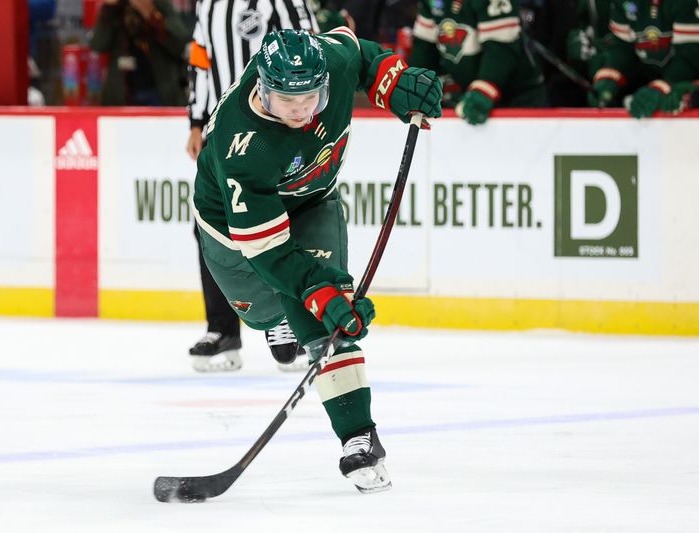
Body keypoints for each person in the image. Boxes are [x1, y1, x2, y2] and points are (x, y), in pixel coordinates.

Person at [191, 27, 442, 491]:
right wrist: (315, 290)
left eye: (312, 97)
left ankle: (359, 439)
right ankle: (279, 320)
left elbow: (366, 56)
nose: (303, 110)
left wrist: (395, 82)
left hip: (311, 204)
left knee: (327, 319)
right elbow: (269, 250)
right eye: (289, 101)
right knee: (286, 301)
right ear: (263, 90)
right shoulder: (241, 142)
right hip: (234, 236)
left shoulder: (331, 59)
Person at [185, 0, 318, 373]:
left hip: (277, 130)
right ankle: (223, 329)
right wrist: (196, 120)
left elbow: (310, 49)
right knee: (211, 226)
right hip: (221, 132)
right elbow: (200, 59)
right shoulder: (208, 3)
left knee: (286, 220)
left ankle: (295, 319)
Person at [408, 0, 545, 124]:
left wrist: (483, 89)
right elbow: (423, 48)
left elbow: (501, 49)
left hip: (516, 98)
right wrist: (416, 87)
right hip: (466, 99)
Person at [590, 0, 699, 118]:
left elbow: (688, 56)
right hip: (648, 83)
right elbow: (622, 47)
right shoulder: (623, 3)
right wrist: (610, 76)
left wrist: (666, 85)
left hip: (684, 89)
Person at [90, 0, 191, 106]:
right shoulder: (116, 8)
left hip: (161, 92)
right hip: (122, 95)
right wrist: (109, 9)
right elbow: (98, 45)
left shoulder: (161, 5)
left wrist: (151, 14)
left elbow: (180, 45)